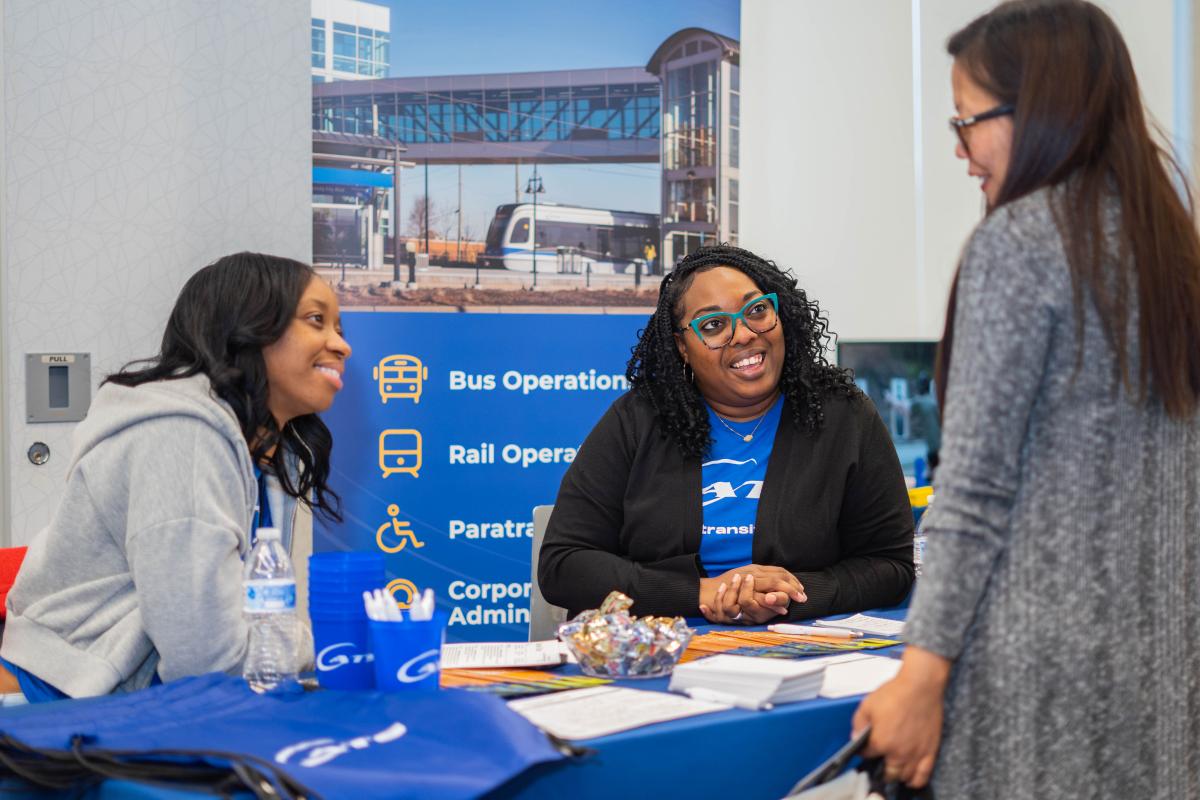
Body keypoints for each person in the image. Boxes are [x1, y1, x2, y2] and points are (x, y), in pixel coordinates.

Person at [854, 2, 1200, 796]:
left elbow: (973, 494)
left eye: (966, 121)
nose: (960, 150)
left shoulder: (1020, 243)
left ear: (1036, 111)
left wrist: (920, 677)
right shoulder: (1166, 247)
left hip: (1033, 693)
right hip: (1158, 681)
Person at [0, 253, 352, 700]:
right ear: (245, 327)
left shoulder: (265, 451)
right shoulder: (182, 436)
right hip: (54, 705)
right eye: (316, 320)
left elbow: (246, 631)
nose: (342, 346)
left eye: (339, 328)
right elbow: (206, 657)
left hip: (137, 698)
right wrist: (321, 648)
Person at [539, 244, 914, 624]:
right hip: (657, 654)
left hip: (801, 652)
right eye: (713, 325)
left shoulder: (843, 415)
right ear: (682, 346)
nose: (743, 334)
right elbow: (564, 565)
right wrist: (701, 593)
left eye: (756, 311)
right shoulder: (637, 420)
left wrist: (785, 597)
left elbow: (890, 566)